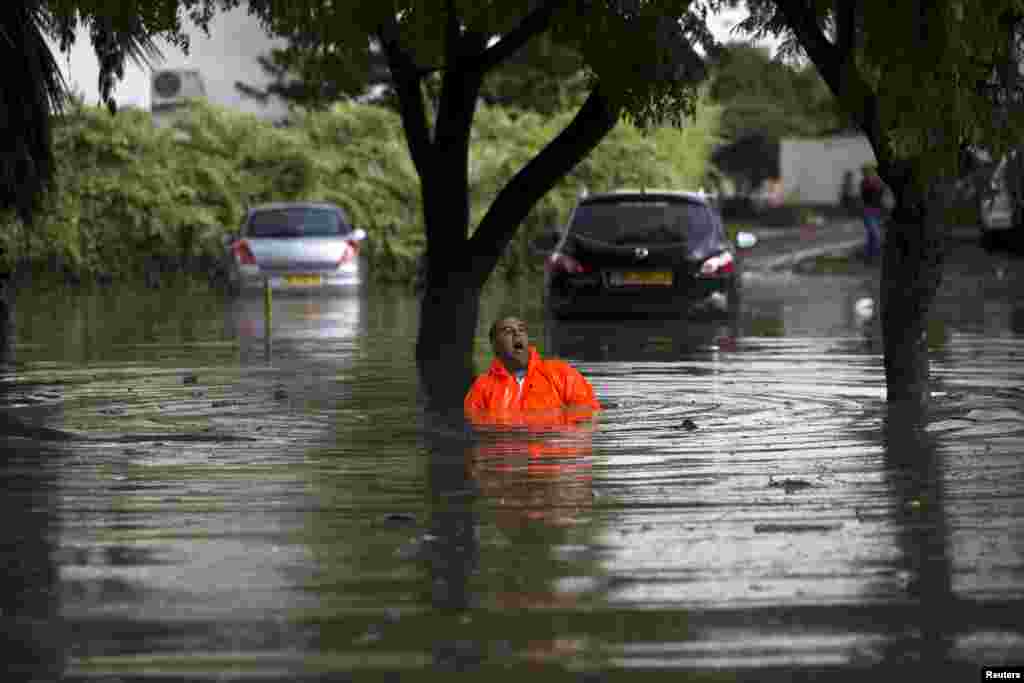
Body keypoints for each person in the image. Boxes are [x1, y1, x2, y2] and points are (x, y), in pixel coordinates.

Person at [464, 316, 601, 426]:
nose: (517, 334)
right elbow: (474, 427)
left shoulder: (562, 373)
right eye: (508, 331)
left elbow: (589, 415)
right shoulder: (482, 387)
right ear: (494, 345)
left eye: (521, 330)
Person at [859, 164, 885, 263]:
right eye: (865, 173)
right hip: (868, 212)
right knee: (876, 235)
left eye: (869, 172)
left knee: (872, 236)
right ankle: (874, 257)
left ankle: (869, 257)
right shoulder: (864, 183)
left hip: (878, 212)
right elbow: (869, 189)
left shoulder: (878, 182)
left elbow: (882, 195)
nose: (867, 175)